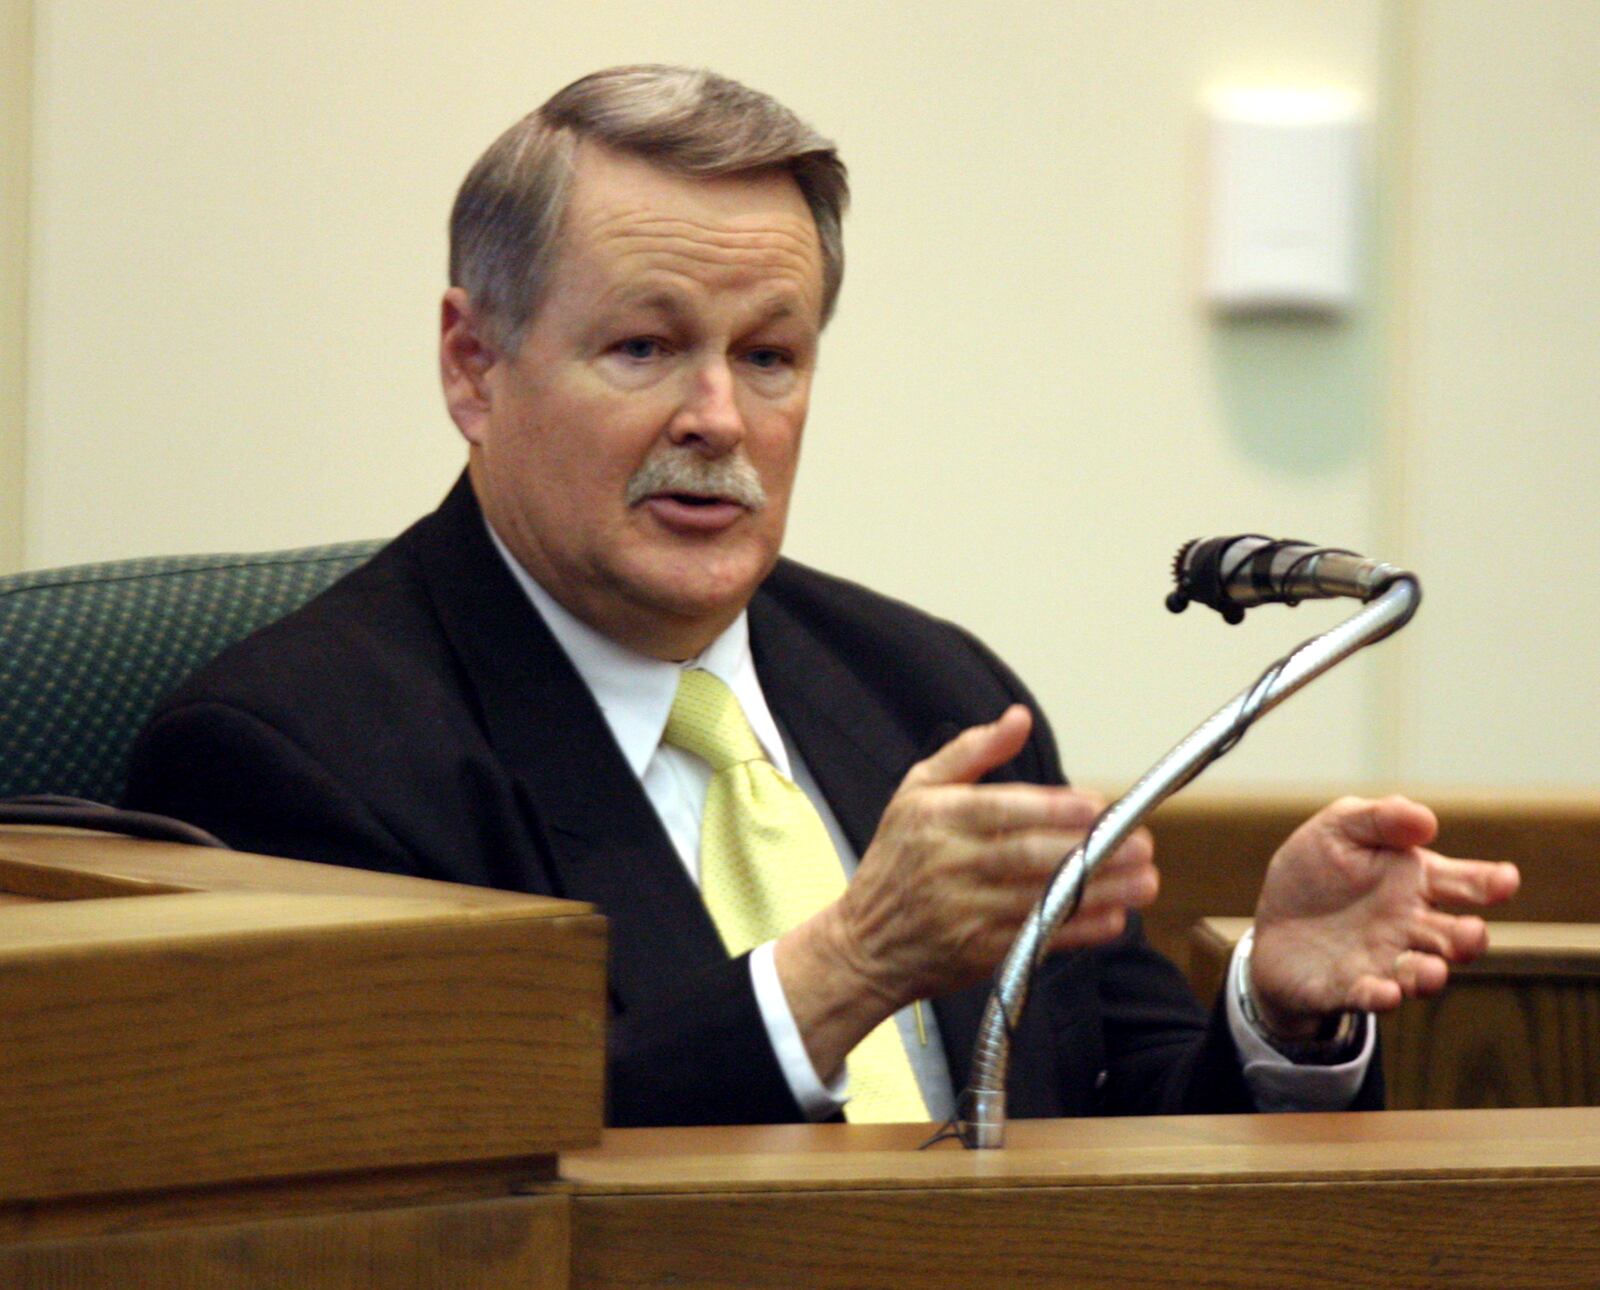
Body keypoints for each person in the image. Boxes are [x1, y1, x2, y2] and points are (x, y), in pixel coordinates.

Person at [123, 65, 1519, 1128]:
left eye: (772, 356)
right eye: (644, 346)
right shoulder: (293, 760)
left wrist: (1274, 1006)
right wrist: (842, 967)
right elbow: (440, 1177)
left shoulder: (940, 694)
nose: (720, 417)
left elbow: (1101, 1122)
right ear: (473, 365)